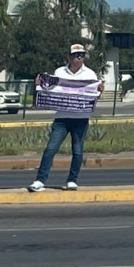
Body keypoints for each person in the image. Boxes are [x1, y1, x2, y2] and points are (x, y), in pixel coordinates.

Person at [28, 43, 104, 192]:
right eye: (76, 55)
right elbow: (51, 91)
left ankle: (72, 180)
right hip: (62, 118)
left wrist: (100, 91)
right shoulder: (59, 72)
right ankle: (39, 180)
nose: (79, 58)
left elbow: (93, 96)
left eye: (82, 55)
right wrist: (38, 86)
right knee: (51, 149)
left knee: (77, 150)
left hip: (81, 118)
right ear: (69, 56)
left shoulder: (90, 74)